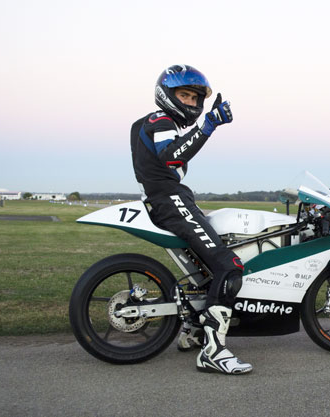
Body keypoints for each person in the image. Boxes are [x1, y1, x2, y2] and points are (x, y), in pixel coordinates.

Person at [130, 64, 252, 375]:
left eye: (195, 98)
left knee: (211, 268)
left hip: (168, 200)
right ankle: (214, 351)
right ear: (167, 95)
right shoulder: (160, 120)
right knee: (229, 267)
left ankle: (194, 330)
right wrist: (208, 125)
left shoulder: (158, 124)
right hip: (170, 201)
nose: (192, 103)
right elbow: (172, 156)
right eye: (184, 95)